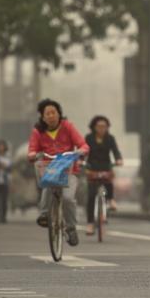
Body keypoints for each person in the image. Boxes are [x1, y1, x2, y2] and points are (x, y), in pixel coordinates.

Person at [27, 98, 88, 247]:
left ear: (59, 114)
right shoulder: (38, 132)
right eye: (47, 113)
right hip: (50, 168)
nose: (50, 116)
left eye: (53, 112)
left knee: (67, 199)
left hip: (69, 170)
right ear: (42, 117)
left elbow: (82, 144)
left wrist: (81, 151)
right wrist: (33, 154)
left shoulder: (68, 127)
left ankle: (71, 228)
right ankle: (44, 213)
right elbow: (32, 149)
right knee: (47, 183)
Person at [84, 115, 123, 235]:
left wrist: (118, 159)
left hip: (106, 166)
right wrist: (81, 161)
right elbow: (83, 150)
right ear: (94, 127)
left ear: (107, 127)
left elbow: (115, 151)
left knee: (109, 182)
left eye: (104, 126)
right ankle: (90, 223)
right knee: (91, 195)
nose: (102, 128)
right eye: (99, 126)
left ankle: (111, 200)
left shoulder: (110, 138)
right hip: (92, 167)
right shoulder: (88, 138)